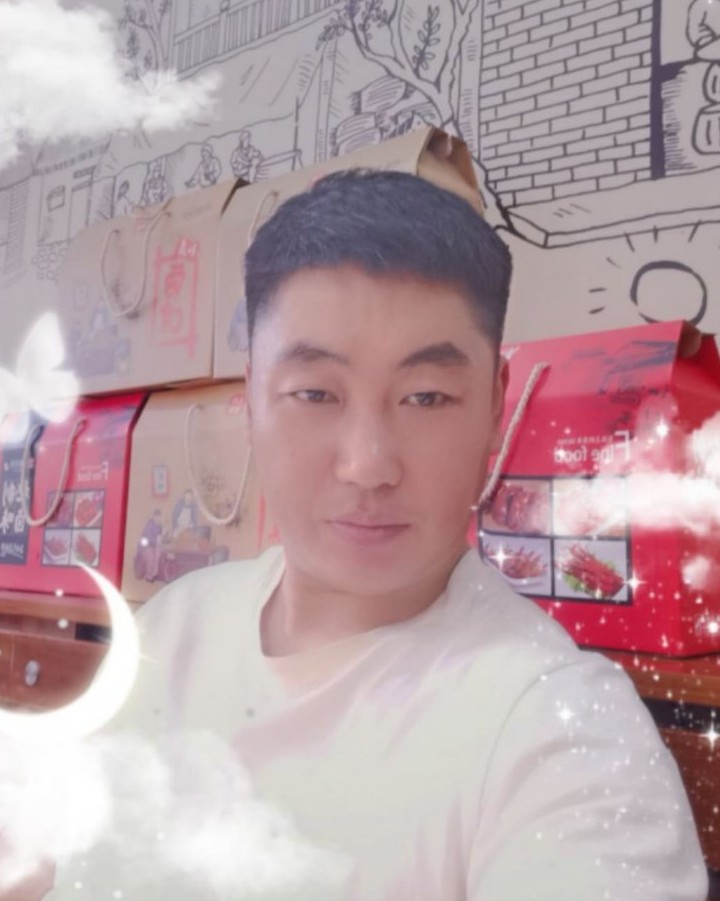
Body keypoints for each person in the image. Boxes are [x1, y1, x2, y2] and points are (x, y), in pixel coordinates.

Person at [44, 171, 707, 899]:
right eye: (315, 393)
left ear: (495, 408)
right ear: (250, 398)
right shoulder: (176, 623)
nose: (368, 465)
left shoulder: (561, 733)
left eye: (426, 397)